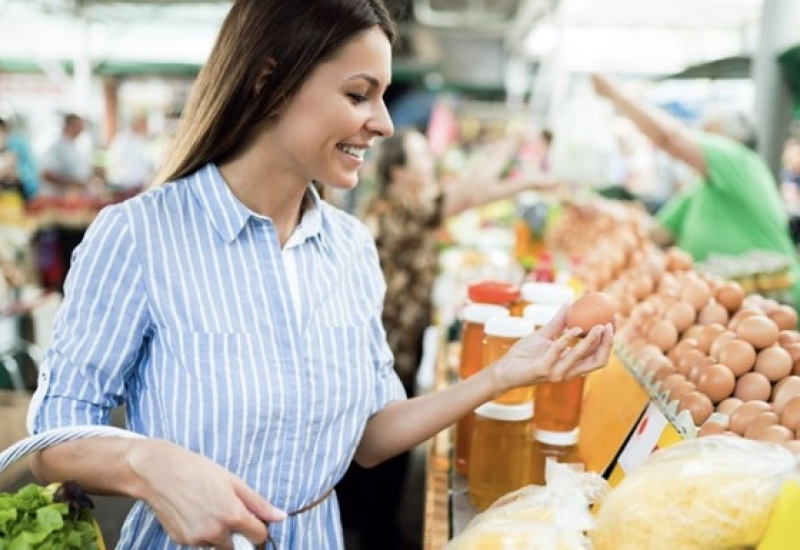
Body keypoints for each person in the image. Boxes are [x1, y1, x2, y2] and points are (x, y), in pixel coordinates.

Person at [25, 2, 615, 549]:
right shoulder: (140, 234)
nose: (382, 123)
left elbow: (370, 436)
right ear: (269, 82)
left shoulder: (350, 249)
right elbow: (51, 442)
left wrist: (505, 373)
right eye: (360, 94)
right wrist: (149, 465)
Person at [337, 127, 556, 549]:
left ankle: (374, 527)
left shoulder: (398, 205)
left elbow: (473, 194)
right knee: (377, 449)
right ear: (399, 172)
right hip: (381, 347)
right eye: (420, 157)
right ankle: (372, 533)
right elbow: (471, 192)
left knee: (383, 448)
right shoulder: (398, 209)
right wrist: (510, 142)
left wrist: (527, 181)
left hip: (395, 342)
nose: (430, 164)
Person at [592, 74, 800, 309]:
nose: (698, 140)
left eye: (707, 133)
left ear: (736, 138)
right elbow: (658, 233)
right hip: (722, 306)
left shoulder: (740, 159)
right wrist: (612, 218)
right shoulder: (702, 187)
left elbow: (670, 138)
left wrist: (613, 93)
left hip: (774, 300)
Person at [39, 113, 93, 196]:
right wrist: (72, 183)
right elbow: (46, 175)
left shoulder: (76, 146)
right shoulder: (57, 147)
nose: (81, 129)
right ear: (68, 125)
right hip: (59, 197)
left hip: (76, 197)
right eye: (78, 125)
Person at [105, 113, 155, 195]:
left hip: (139, 183)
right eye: (144, 124)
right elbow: (114, 159)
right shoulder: (122, 138)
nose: (146, 127)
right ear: (137, 123)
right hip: (124, 183)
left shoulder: (142, 139)